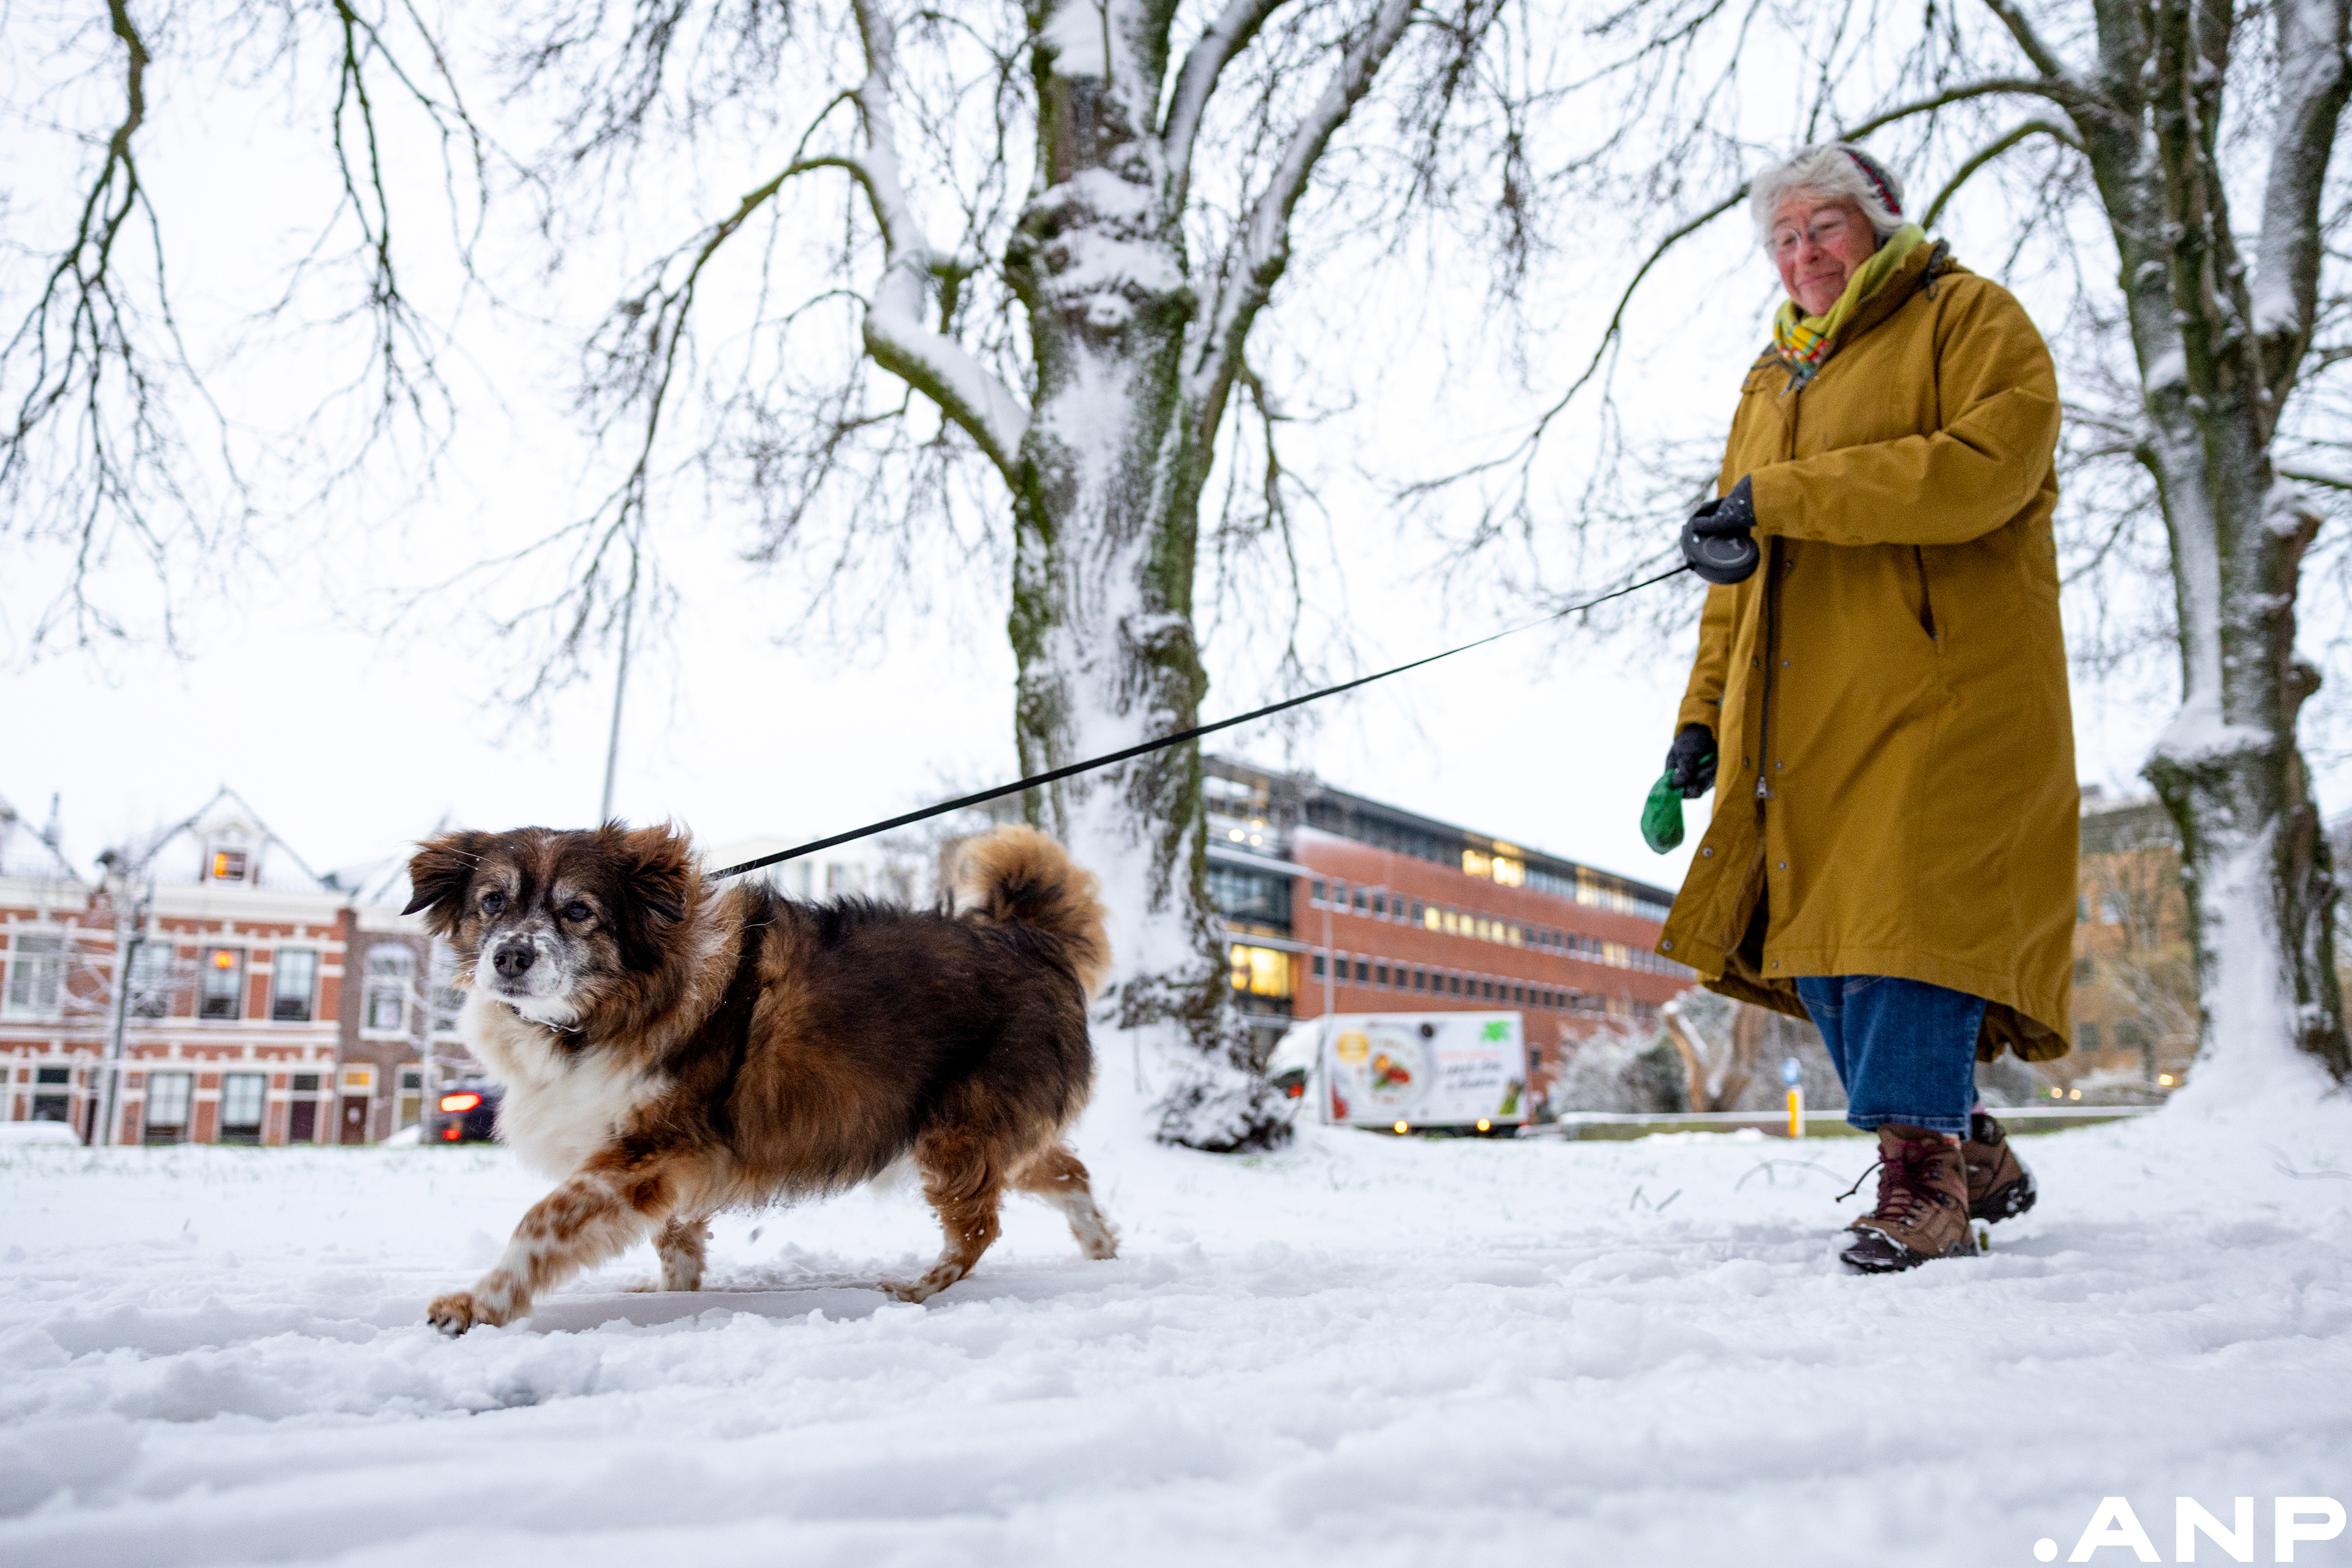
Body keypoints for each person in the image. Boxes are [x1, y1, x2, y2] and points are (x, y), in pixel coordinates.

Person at [1654, 143, 2073, 1273]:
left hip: (1939, 691)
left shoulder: (1968, 318)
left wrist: (1782, 494)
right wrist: (1700, 719)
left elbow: (1986, 467)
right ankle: (1966, 1144)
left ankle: (1926, 1180)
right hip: (1795, 711)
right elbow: (1740, 581)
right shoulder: (1767, 380)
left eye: (1822, 228)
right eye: (1783, 239)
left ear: (1880, 223)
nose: (1803, 254)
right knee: (1821, 945)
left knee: (1904, 927)